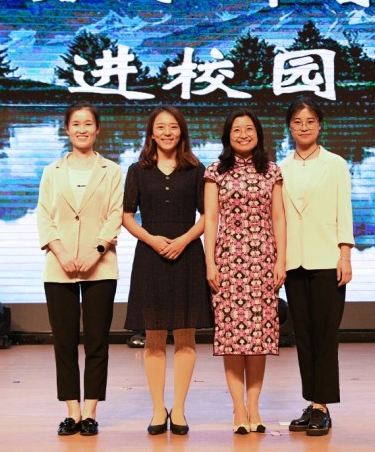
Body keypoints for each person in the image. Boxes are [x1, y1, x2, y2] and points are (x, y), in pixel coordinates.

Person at [36, 101, 124, 437]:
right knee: (64, 341)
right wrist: (59, 251)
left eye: (88, 123)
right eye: (76, 124)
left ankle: (90, 412)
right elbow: (44, 216)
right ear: (67, 129)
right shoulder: (52, 171)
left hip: (100, 266)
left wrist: (96, 251)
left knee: (97, 341)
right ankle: (72, 411)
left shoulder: (112, 171)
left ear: (97, 128)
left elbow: (115, 214)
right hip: (58, 267)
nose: (82, 129)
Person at [123, 105, 212, 436]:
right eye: (160, 127)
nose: (167, 132)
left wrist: (185, 239)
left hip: (188, 256)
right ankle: (158, 409)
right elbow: (126, 215)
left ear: (182, 132)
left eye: (173, 126)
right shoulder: (137, 170)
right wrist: (151, 239)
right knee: (154, 336)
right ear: (151, 133)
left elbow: (208, 215)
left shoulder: (196, 170)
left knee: (186, 335)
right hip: (151, 257)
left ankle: (180, 409)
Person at [203, 107, 286, 435]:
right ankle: (238, 408)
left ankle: (255, 406)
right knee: (232, 339)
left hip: (263, 262)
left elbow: (278, 217)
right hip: (227, 262)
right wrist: (210, 262)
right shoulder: (215, 171)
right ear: (228, 135)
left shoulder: (272, 171)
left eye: (249, 128)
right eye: (236, 129)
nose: (243, 134)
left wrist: (280, 260)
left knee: (258, 338)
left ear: (258, 134)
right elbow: (211, 219)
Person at [278, 98, 355, 437]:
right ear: (289, 127)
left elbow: (344, 210)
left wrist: (345, 255)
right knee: (304, 336)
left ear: (320, 125)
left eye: (310, 121)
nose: (304, 127)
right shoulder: (280, 168)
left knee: (325, 335)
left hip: (327, 261)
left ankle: (322, 406)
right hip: (294, 261)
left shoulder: (335, 164)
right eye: (298, 121)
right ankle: (312, 402)